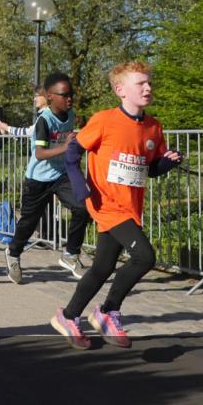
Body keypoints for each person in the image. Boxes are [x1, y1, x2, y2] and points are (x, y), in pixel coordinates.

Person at [50, 61, 182, 349]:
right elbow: (73, 153)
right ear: (120, 90)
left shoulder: (153, 127)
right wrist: (79, 184)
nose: (148, 88)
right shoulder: (104, 120)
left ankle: (69, 316)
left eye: (149, 83)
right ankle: (109, 311)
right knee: (144, 257)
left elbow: (150, 169)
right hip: (106, 203)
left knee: (102, 267)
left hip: (130, 206)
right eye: (140, 83)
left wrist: (167, 162)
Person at [3, 73, 90, 283]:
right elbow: (40, 154)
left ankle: (70, 254)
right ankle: (13, 253)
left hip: (61, 175)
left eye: (71, 94)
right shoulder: (44, 121)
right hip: (38, 179)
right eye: (64, 95)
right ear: (50, 97)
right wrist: (65, 146)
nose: (69, 99)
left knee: (83, 207)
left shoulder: (70, 115)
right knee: (28, 223)